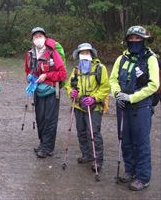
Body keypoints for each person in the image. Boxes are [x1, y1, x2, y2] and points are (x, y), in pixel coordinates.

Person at [109, 25, 160, 191]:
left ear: (144, 40)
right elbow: (113, 79)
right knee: (125, 139)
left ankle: (142, 177)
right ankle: (129, 170)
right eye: (131, 38)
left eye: (138, 38)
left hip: (142, 106)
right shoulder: (121, 58)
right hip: (122, 105)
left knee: (141, 142)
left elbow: (154, 85)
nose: (134, 41)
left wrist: (132, 97)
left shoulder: (150, 59)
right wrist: (117, 94)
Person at [65, 43, 110, 172]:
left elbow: (105, 87)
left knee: (94, 133)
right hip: (78, 106)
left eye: (87, 52)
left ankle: (97, 160)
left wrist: (94, 98)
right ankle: (87, 155)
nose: (84, 55)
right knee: (81, 131)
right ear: (78, 55)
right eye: (82, 52)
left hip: (94, 107)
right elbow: (69, 85)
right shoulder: (76, 70)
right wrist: (71, 93)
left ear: (91, 54)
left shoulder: (100, 68)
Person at [24, 27, 67, 158]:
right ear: (32, 39)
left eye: (40, 36)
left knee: (50, 120)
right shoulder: (30, 54)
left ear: (45, 37)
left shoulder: (52, 53)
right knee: (40, 118)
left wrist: (46, 76)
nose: (38, 38)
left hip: (52, 90)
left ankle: (48, 148)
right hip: (38, 90)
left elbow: (62, 73)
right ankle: (43, 143)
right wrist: (29, 78)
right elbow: (28, 70)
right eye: (35, 36)